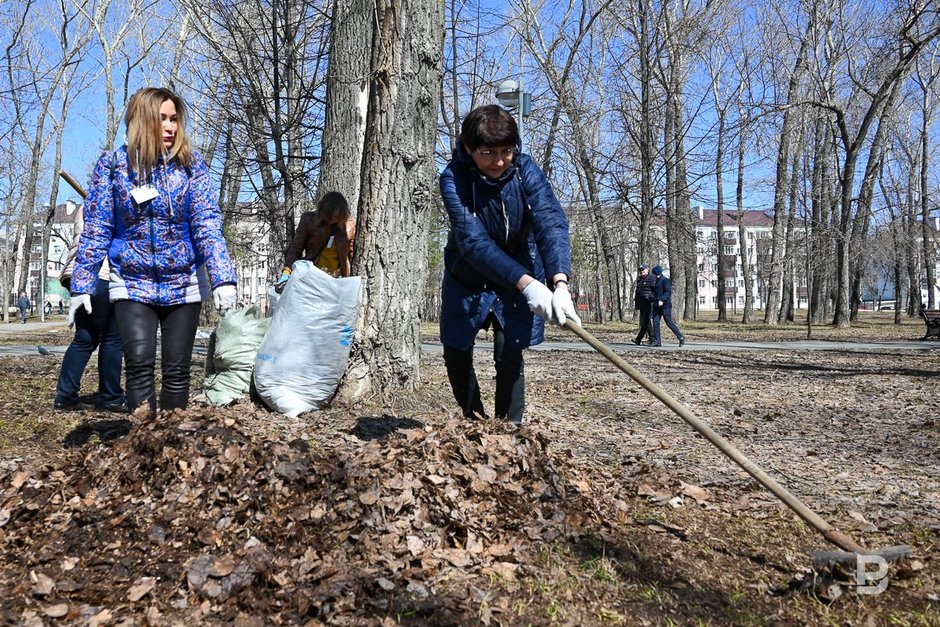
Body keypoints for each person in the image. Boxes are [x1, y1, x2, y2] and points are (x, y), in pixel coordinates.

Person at [69, 86, 237, 413]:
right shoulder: (115, 166)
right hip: (131, 283)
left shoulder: (192, 166)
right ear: (143, 121)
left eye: (175, 119)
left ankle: (173, 446)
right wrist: (83, 282)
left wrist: (222, 278)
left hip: (183, 283)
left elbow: (205, 220)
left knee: (176, 372)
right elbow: (98, 224)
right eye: (162, 119)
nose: (171, 127)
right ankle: (144, 446)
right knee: (139, 366)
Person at [439, 104, 580, 424]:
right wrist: (528, 285)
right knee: (456, 353)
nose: (500, 161)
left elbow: (550, 222)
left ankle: (509, 432)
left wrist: (559, 282)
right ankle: (475, 420)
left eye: (507, 151)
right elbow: (473, 242)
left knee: (510, 351)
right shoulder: (453, 178)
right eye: (488, 152)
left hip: (518, 274)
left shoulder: (525, 170)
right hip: (467, 277)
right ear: (469, 148)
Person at [54, 208, 127, 412]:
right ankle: (110, 396)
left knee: (85, 338)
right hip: (99, 271)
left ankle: (65, 396)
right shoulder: (106, 198)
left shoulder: (87, 203)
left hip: (76, 273)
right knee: (113, 337)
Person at [275, 191, 352, 292]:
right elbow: (296, 249)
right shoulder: (309, 220)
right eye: (329, 216)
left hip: (337, 282)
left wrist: (350, 280)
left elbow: (351, 255)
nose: (332, 219)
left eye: (336, 217)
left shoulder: (349, 227)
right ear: (323, 211)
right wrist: (286, 272)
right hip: (312, 279)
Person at [650, 265, 685, 347]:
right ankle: (657, 341)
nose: (652, 275)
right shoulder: (656, 281)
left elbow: (668, 292)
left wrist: (662, 299)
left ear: (656, 273)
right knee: (655, 322)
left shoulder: (665, 280)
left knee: (669, 322)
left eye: (653, 273)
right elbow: (655, 292)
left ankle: (681, 337)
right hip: (656, 306)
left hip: (665, 306)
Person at [633, 263, 656, 345]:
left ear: (647, 269)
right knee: (645, 322)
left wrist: (650, 298)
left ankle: (651, 339)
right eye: (640, 270)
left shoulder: (651, 278)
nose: (641, 271)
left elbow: (655, 290)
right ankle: (639, 339)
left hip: (649, 304)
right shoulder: (640, 279)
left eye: (643, 269)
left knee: (645, 321)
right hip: (641, 303)